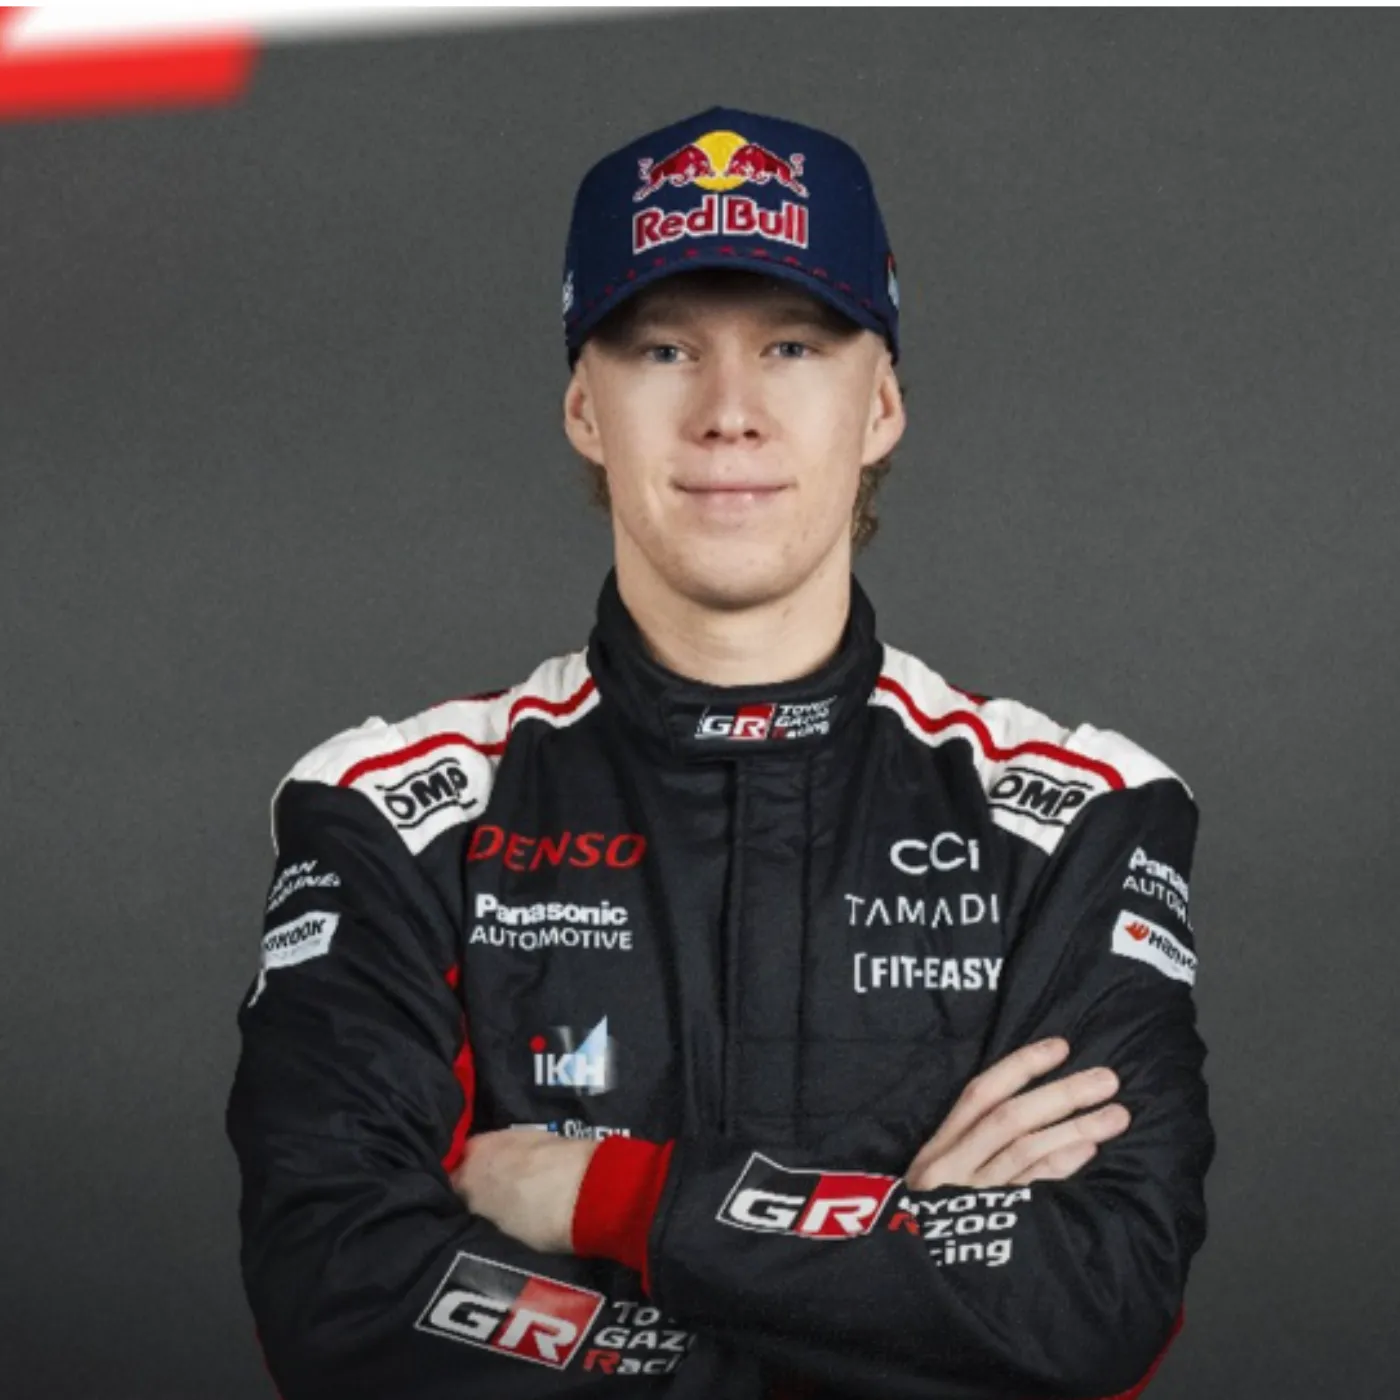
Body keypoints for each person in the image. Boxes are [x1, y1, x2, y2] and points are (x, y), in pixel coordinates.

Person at [226, 105, 1214, 1400]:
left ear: (881, 404)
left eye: (792, 346)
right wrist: (892, 1274)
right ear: (585, 408)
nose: (729, 414)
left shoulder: (1079, 818)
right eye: (665, 350)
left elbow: (1096, 1299)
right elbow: (344, 1306)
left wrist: (611, 1197)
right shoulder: (390, 815)